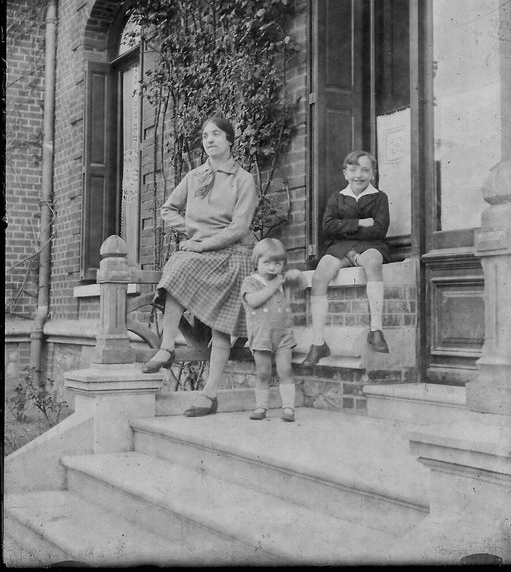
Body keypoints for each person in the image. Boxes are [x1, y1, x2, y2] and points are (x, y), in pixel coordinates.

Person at [142, 116, 258, 418]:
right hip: (199, 252)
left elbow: (239, 227)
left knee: (221, 328)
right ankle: (167, 348)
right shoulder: (194, 176)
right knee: (178, 267)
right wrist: (192, 231)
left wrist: (203, 242)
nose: (209, 140)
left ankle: (209, 395)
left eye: (216, 134)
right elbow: (167, 209)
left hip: (232, 254)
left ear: (230, 140)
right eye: (205, 135)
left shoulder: (243, 179)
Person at [302, 150, 390, 367]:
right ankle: (318, 342)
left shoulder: (379, 197)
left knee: (373, 262)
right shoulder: (337, 198)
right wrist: (360, 223)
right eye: (353, 169)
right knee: (320, 277)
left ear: (373, 173)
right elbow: (328, 227)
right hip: (340, 247)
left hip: (370, 246)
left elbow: (379, 230)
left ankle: (376, 329)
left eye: (365, 170)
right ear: (345, 173)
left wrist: (345, 228)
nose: (358, 175)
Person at [241, 238, 308, 422]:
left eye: (277, 263)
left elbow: (302, 286)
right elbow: (253, 300)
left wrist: (297, 275)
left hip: (283, 336)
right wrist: (273, 285)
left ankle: (288, 408)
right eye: (267, 263)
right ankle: (261, 407)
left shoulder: (282, 281)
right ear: (257, 262)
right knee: (263, 372)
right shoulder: (251, 281)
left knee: (285, 370)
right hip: (261, 335)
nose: (272, 268)